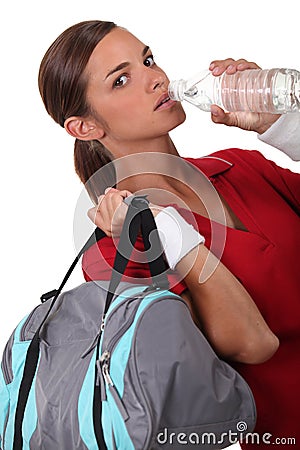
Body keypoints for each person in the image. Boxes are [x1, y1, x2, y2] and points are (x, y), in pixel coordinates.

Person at [38, 20, 300, 449]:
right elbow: (254, 343)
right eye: (121, 80)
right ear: (85, 127)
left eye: (148, 60)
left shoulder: (240, 165)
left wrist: (284, 126)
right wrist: (166, 228)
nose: (156, 78)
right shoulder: (116, 248)